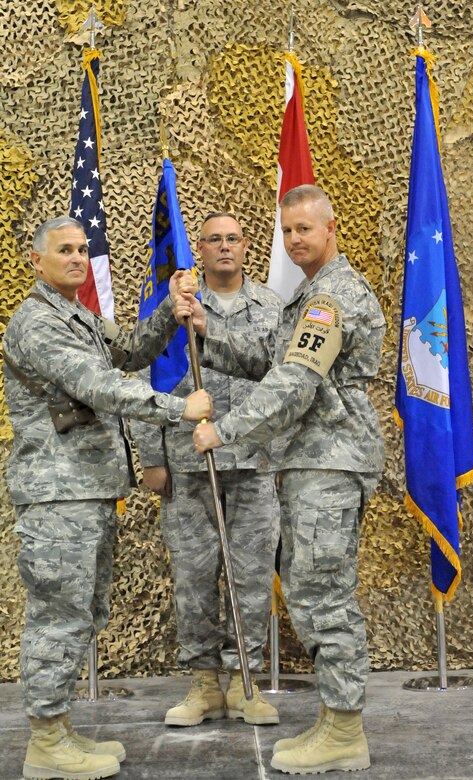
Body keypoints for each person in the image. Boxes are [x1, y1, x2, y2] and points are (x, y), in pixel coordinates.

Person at [2, 216, 212, 780]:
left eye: (81, 249)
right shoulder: (36, 324)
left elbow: (133, 350)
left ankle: (59, 727)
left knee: (81, 613)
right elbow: (96, 385)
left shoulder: (79, 319)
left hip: (86, 490)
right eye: (63, 250)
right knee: (58, 617)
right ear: (35, 260)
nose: (75, 257)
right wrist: (177, 409)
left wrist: (171, 307)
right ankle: (45, 742)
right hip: (57, 494)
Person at [187, 184, 386, 775]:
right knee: (312, 589)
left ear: (330, 230)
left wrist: (226, 430)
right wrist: (205, 329)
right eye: (288, 231)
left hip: (329, 459)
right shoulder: (308, 296)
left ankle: (346, 728)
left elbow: (294, 381)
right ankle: (335, 719)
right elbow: (268, 360)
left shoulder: (332, 298)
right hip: (310, 460)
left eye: (306, 229)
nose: (296, 239)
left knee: (323, 594)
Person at [133, 212, 282, 728]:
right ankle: (203, 685)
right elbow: (148, 378)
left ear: (247, 246)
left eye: (233, 239)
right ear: (199, 247)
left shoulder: (270, 306)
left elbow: (280, 372)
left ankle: (246, 680)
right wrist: (151, 456)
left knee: (252, 578)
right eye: (214, 240)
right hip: (188, 462)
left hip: (254, 460)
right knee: (193, 578)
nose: (224, 247)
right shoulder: (171, 308)